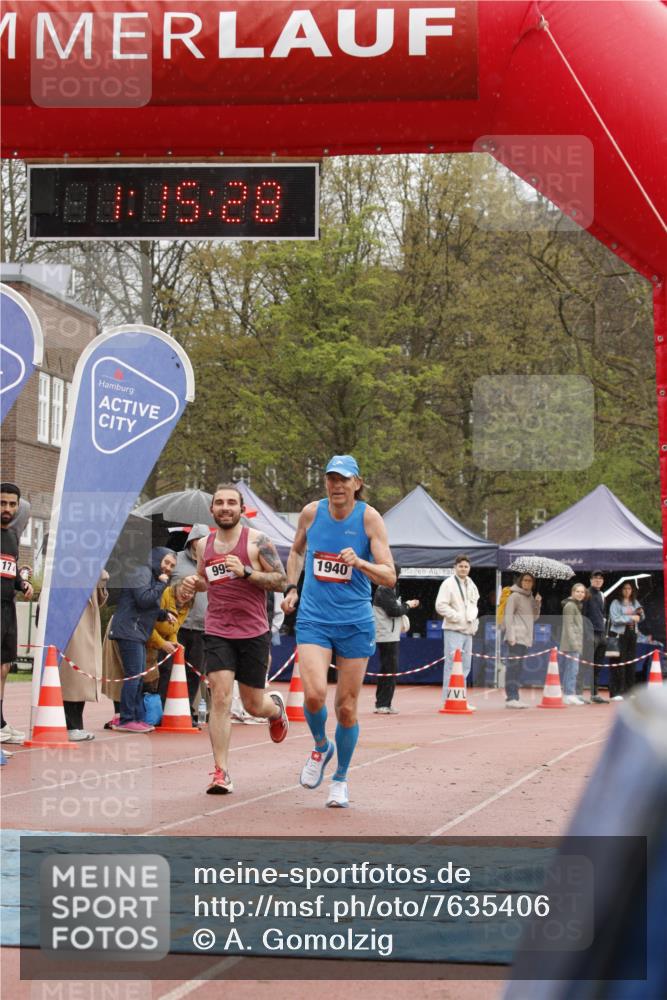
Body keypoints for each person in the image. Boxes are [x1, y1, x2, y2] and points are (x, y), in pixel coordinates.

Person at [282, 455, 396, 809]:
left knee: (346, 708)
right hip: (314, 618)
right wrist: (291, 587)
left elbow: (389, 575)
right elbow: (296, 552)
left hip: (354, 622)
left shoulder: (369, 518)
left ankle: (341, 778)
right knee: (313, 696)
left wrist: (359, 562)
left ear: (357, 483)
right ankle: (320, 747)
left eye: (343, 479)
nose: (336, 485)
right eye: (331, 479)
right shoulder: (311, 513)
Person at [194, 483, 289, 795]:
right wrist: (193, 585)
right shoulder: (204, 545)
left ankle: (274, 709)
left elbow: (281, 580)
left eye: (231, 503)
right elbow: (206, 581)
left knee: (252, 705)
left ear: (240, 509)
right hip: (218, 630)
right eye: (219, 503)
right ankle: (221, 772)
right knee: (220, 698)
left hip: (253, 632)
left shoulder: (258, 541)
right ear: (212, 510)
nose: (225, 507)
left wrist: (247, 572)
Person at [108, 547, 177, 733]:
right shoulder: (142, 572)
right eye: (166, 562)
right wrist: (162, 585)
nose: (169, 568)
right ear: (156, 559)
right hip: (129, 631)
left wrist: (164, 615)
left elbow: (148, 607)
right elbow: (144, 600)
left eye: (172, 566)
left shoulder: (152, 577)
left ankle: (136, 717)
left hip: (136, 631)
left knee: (138, 677)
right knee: (134, 677)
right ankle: (127, 718)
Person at [1, 483, 34, 745]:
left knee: (4, 667)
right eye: (2, 503)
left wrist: (23, 584)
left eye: (12, 504)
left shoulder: (12, 537)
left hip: (7, 608)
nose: (7, 509)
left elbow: (9, 575)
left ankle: (0, 721)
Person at [60, 570, 109, 740]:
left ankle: (76, 725)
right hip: (71, 628)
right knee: (73, 680)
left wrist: (101, 581)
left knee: (83, 678)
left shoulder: (91, 569)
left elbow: (99, 602)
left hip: (88, 627)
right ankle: (70, 726)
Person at [170, 524, 210, 722]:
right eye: (199, 539)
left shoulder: (213, 563)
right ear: (192, 540)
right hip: (176, 625)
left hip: (204, 627)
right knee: (170, 669)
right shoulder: (175, 559)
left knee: (195, 672)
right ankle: (165, 708)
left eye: (206, 539)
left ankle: (187, 711)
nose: (202, 543)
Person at [372, 565, 419, 715]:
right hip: (386, 635)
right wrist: (408, 605)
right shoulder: (384, 589)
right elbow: (394, 611)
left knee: (389, 669)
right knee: (388, 669)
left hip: (391, 634)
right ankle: (382, 704)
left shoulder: (390, 588)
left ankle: (385, 703)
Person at [434, 554, 480, 706]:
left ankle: (460, 698)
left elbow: (474, 603)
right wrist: (457, 617)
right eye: (460, 566)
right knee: (452, 665)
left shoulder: (471, 583)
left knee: (465, 666)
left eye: (466, 566)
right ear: (455, 567)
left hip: (468, 631)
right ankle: (448, 699)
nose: (463, 569)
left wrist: (473, 619)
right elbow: (440, 605)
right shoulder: (448, 583)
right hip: (454, 629)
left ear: (470, 568)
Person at [503, 572, 541, 708]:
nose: (527, 583)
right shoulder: (515, 596)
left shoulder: (530, 597)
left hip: (525, 637)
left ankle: (515, 697)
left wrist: (537, 603)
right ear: (520, 581)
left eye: (530, 581)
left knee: (518, 668)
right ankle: (511, 697)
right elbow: (508, 616)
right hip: (516, 637)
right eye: (525, 580)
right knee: (513, 668)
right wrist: (510, 636)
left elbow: (535, 617)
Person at [608, 582, 645, 700]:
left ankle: (629, 691)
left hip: (632, 634)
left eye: (629, 588)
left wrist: (641, 613)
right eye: (624, 588)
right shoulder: (615, 603)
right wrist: (631, 617)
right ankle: (617, 692)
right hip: (620, 634)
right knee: (619, 662)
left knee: (630, 663)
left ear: (632, 590)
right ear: (620, 590)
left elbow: (641, 618)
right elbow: (615, 619)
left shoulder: (635, 602)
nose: (627, 591)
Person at [583, 571, 609, 704]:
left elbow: (603, 614)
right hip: (590, 633)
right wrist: (587, 633)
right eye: (595, 578)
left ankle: (594, 694)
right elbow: (583, 614)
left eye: (600, 578)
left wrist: (604, 632)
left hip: (601, 633)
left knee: (597, 666)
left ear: (603, 581)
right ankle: (577, 694)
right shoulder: (586, 593)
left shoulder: (602, 595)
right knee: (585, 664)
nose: (598, 580)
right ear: (590, 579)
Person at [560, 582, 587, 705]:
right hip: (572, 643)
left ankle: (568, 693)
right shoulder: (570, 606)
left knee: (571, 669)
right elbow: (569, 625)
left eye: (582, 592)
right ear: (572, 592)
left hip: (574, 642)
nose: (580, 594)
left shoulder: (576, 605)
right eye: (578, 591)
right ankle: (569, 693)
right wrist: (574, 643)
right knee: (572, 669)